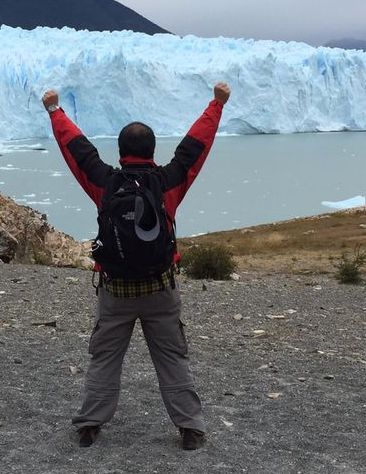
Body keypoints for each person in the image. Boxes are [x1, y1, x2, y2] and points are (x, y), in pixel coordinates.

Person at [41, 82, 231, 450]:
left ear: (121, 151)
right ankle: (190, 428)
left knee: (105, 356)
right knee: (172, 356)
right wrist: (217, 105)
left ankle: (90, 425)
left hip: (115, 291)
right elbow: (195, 147)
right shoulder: (167, 182)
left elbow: (77, 151)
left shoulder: (106, 184)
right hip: (160, 288)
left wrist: (55, 112)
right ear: (152, 151)